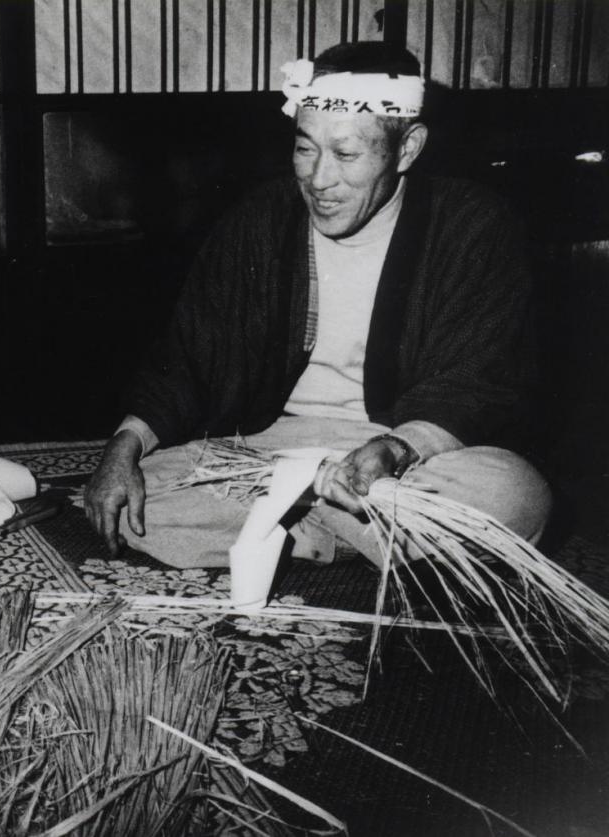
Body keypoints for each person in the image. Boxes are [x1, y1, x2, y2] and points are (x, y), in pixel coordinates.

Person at [84, 41, 552, 570]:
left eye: (347, 154)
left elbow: (481, 377)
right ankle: (345, 531)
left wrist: (394, 450)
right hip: (273, 451)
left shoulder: (471, 225)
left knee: (515, 494)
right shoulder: (261, 219)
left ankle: (289, 529)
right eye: (306, 149)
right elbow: (190, 356)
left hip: (401, 458)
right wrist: (125, 445)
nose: (319, 179)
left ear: (407, 149)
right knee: (139, 500)